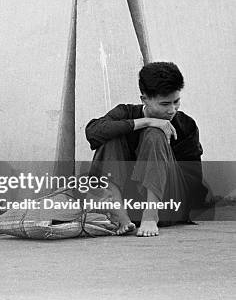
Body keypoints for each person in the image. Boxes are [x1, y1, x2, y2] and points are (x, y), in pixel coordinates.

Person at [85, 62, 208, 237]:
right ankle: (121, 216)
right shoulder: (126, 112)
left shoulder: (186, 125)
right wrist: (146, 121)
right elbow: (93, 131)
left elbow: (193, 182)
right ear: (144, 100)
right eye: (164, 104)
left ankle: (151, 216)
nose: (172, 110)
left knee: (154, 135)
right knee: (111, 134)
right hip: (130, 201)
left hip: (170, 202)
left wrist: (155, 134)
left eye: (176, 101)